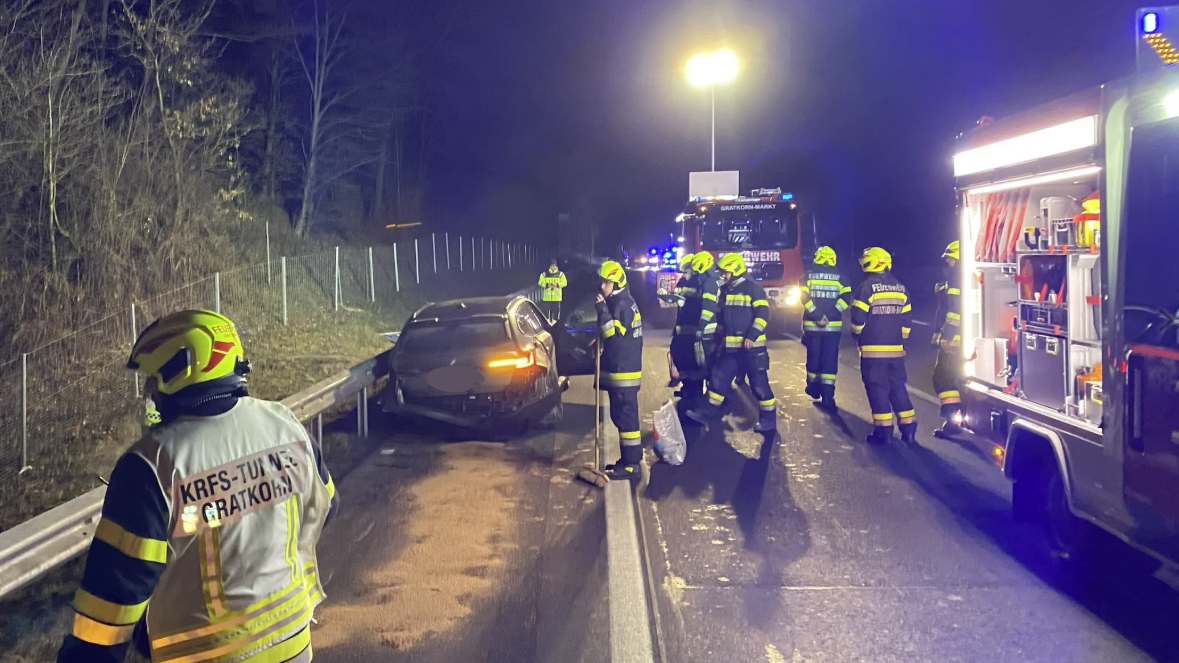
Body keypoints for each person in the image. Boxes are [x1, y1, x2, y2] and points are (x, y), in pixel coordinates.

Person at [57, 310, 338, 663]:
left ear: (180, 374)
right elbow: (327, 505)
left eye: (154, 380)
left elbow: (111, 605)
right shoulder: (285, 426)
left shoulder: (151, 466)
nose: (149, 392)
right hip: (294, 643)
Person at [686, 253, 777, 433]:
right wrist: (716, 340)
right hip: (730, 349)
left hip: (752, 350)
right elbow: (722, 318)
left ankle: (769, 420)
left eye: (725, 272)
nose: (722, 275)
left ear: (735, 270)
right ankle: (706, 413)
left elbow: (763, 315)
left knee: (759, 386)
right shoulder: (726, 291)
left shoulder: (753, 289)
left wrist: (751, 336)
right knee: (718, 379)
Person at [851, 247, 918, 445]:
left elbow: (857, 319)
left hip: (873, 352)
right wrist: (901, 340)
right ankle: (909, 430)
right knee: (898, 388)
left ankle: (884, 432)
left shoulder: (866, 288)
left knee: (878, 389)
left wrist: (856, 335)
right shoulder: (901, 287)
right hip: (896, 351)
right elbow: (907, 321)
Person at [596, 260, 644, 481]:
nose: (602, 286)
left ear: (616, 284)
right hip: (622, 370)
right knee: (621, 417)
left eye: (606, 282)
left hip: (624, 372)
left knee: (626, 420)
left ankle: (632, 465)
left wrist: (601, 311)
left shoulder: (621, 305)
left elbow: (613, 337)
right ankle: (628, 460)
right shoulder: (621, 302)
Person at [799, 246, 853, 410]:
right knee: (829, 360)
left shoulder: (806, 278)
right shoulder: (842, 279)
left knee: (813, 357)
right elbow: (845, 300)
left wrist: (817, 315)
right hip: (832, 327)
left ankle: (813, 388)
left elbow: (804, 299)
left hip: (812, 327)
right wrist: (830, 315)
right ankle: (828, 397)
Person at [667, 253, 721, 404]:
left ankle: (698, 393)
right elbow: (680, 296)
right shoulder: (690, 281)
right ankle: (689, 389)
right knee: (684, 358)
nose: (684, 275)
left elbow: (707, 308)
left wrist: (701, 327)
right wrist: (669, 297)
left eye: (686, 272)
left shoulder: (706, 282)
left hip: (701, 331)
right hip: (686, 329)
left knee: (700, 363)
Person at [932, 240, 964, 438]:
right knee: (959, 379)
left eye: (951, 259)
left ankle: (953, 421)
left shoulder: (955, 280)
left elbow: (953, 312)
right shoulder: (961, 278)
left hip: (955, 340)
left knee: (943, 378)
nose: (948, 263)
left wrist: (947, 337)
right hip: (966, 339)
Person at [539, 258, 568, 323]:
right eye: (552, 265)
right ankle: (548, 325)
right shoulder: (544, 274)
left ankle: (555, 326)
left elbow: (565, 283)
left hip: (556, 298)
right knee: (546, 314)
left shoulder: (560, 274)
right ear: (549, 266)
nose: (553, 267)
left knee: (556, 315)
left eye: (554, 265)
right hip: (547, 298)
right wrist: (547, 285)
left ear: (556, 266)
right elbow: (540, 282)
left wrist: (557, 285)